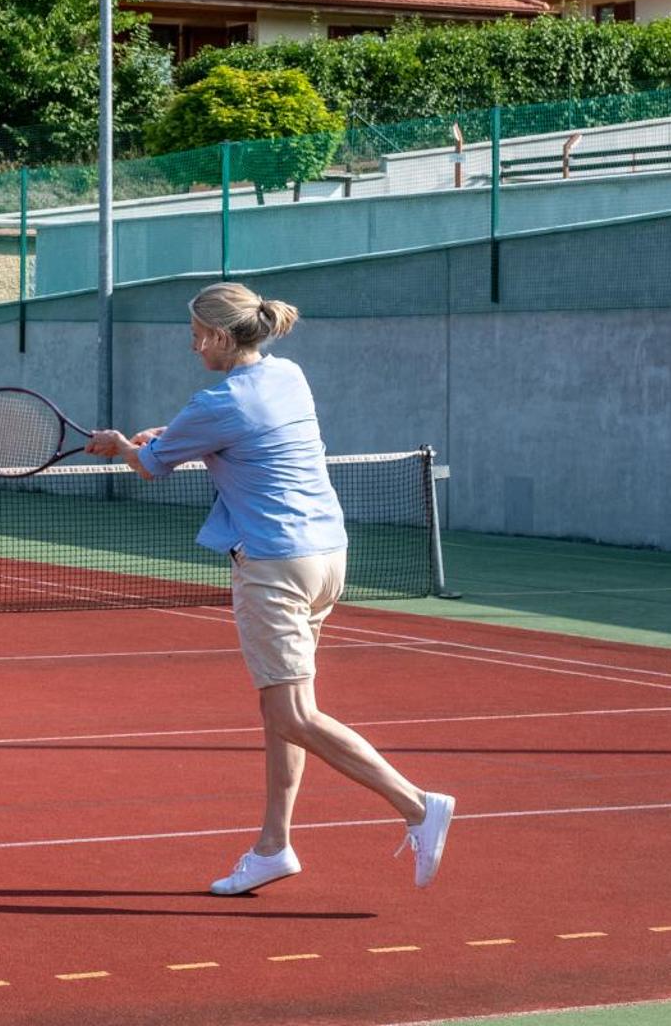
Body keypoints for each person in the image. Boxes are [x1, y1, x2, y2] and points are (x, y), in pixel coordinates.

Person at [85, 282, 454, 894]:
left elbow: (151, 467)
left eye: (199, 334)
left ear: (225, 338)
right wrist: (167, 435)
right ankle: (273, 846)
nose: (193, 343)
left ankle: (418, 805)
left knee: (293, 712)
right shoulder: (288, 375)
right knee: (279, 711)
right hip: (327, 558)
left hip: (275, 565)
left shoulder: (216, 403)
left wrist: (122, 446)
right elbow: (234, 439)